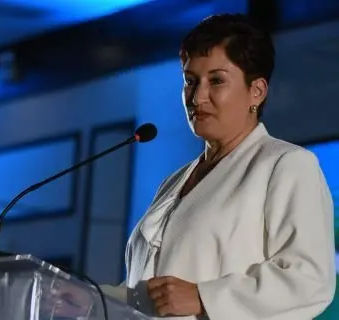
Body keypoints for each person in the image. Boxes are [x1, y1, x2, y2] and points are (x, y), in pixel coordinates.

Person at [51, 13, 337, 320]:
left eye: (216, 81)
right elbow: (155, 294)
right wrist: (91, 298)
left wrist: (204, 298)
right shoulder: (174, 182)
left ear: (257, 91)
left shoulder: (286, 164)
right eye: (190, 81)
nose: (198, 97)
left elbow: (310, 280)